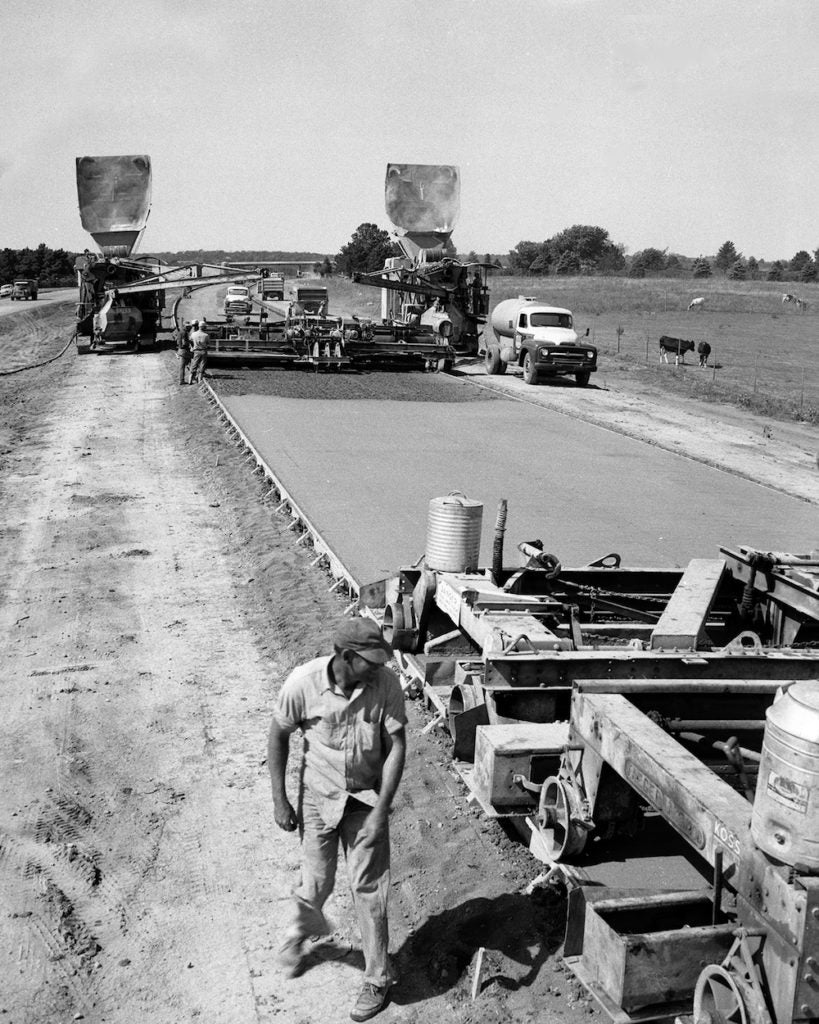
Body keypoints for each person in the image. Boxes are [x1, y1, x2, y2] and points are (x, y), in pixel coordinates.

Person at [268, 618, 406, 1022]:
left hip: (365, 798)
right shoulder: (303, 683)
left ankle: (377, 978)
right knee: (317, 880)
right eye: (370, 661)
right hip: (318, 796)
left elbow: (397, 745)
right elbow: (278, 735)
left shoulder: (386, 685)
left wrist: (382, 810)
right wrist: (280, 800)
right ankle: (300, 931)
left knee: (369, 887)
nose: (379, 667)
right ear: (346, 657)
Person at [188, 319, 209, 384]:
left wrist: (194, 346)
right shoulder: (206, 335)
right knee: (202, 365)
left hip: (196, 351)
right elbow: (207, 343)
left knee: (194, 364)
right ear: (204, 327)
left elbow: (190, 340)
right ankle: (199, 380)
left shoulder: (193, 334)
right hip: (203, 351)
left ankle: (190, 378)